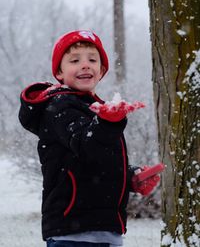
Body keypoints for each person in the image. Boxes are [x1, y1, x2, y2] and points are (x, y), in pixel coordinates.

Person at [19, 30, 160, 247]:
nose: (85, 65)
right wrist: (108, 122)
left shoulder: (94, 109)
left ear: (102, 70)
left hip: (104, 230)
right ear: (59, 72)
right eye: (75, 60)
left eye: (92, 60)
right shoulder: (59, 107)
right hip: (73, 232)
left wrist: (131, 176)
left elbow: (97, 161)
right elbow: (85, 144)